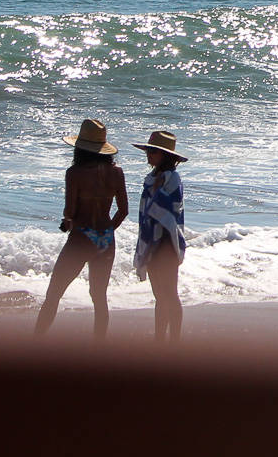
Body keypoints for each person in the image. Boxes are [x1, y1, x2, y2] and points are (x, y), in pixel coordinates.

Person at [34, 119, 129, 339]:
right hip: (106, 239)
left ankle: (35, 343)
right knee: (99, 296)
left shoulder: (74, 173)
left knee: (54, 294)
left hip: (81, 238)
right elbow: (123, 211)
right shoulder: (117, 172)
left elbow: (70, 212)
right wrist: (106, 232)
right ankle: (99, 350)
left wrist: (67, 223)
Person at [133, 130, 188, 345]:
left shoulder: (172, 178)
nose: (149, 154)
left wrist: (157, 193)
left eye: (153, 151)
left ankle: (173, 340)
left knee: (169, 293)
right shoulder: (154, 177)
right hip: (154, 242)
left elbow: (170, 211)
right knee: (159, 295)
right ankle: (159, 339)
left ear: (165, 155)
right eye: (148, 150)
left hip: (166, 242)